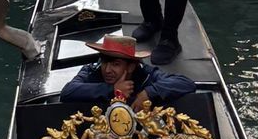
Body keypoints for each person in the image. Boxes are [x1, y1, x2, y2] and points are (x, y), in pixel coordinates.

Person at [60, 31, 207, 111]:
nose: (107, 70)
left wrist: (148, 93)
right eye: (105, 62)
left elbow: (186, 83)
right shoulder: (92, 70)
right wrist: (112, 90)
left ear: (131, 67)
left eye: (116, 64)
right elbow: (67, 92)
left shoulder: (147, 74)